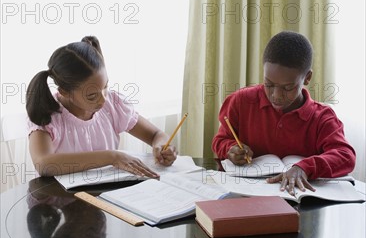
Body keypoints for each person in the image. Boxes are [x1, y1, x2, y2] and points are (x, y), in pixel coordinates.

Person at [212, 31, 356, 196]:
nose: (276, 95)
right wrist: (230, 149)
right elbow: (220, 140)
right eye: (269, 84)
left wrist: (305, 167)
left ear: (307, 78)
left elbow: (346, 156)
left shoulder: (322, 117)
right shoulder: (240, 101)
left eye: (288, 87)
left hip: (300, 202)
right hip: (248, 196)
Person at [26, 35, 177, 177]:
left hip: (106, 196)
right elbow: (43, 164)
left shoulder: (113, 104)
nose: (103, 100)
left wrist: (162, 146)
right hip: (59, 199)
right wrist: (111, 157)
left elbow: (156, 135)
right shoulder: (47, 113)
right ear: (65, 92)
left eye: (105, 86)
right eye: (92, 95)